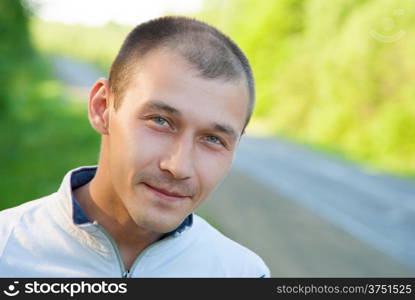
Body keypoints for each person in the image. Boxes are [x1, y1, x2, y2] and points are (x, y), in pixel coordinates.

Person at [0, 16, 270, 277]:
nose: (178, 167)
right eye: (160, 121)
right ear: (102, 107)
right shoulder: (7, 250)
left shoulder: (243, 274)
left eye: (213, 139)